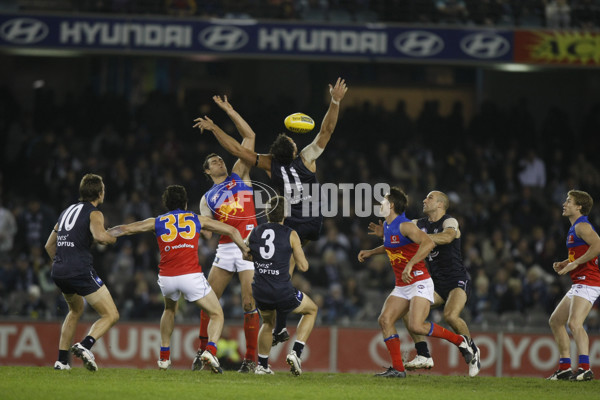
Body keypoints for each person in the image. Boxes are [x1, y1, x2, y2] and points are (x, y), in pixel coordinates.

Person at [193, 77, 347, 342]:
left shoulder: (266, 165)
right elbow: (326, 131)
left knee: (273, 281)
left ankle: (271, 334)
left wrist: (218, 125)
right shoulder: (307, 159)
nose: (219, 161)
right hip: (306, 222)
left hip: (279, 228)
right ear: (296, 149)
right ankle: (280, 327)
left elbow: (237, 146)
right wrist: (335, 101)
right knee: (282, 275)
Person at [107, 185, 250, 373]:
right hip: (190, 275)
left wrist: (104, 234)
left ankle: (164, 357)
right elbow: (231, 230)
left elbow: (126, 229)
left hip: (166, 278)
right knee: (216, 314)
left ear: (166, 204)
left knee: (169, 309)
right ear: (185, 203)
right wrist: (244, 249)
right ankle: (210, 350)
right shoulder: (196, 218)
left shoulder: (157, 221)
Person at [358, 187, 475, 378]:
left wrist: (410, 264)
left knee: (416, 326)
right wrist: (371, 252)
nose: (381, 204)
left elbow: (428, 243)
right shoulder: (389, 225)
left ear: (392, 205)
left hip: (419, 280)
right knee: (385, 320)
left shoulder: (406, 225)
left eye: (384, 201)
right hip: (403, 284)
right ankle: (398, 369)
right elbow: (391, 245)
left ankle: (460, 342)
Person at [195, 95, 260, 373]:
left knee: (249, 302)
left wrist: (230, 110)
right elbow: (207, 234)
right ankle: (202, 353)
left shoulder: (239, 174)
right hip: (225, 249)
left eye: (219, 157)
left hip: (247, 246)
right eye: (213, 161)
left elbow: (250, 135)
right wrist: (201, 229)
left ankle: (250, 358)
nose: (219, 160)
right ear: (207, 172)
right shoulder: (206, 198)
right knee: (208, 300)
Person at [44, 173, 119, 371]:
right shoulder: (95, 213)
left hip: (59, 271)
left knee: (75, 310)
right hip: (79, 271)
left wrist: (61, 263)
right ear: (100, 193)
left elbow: (48, 245)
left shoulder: (66, 211)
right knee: (111, 315)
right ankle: (85, 345)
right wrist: (113, 238)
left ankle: (61, 361)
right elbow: (100, 237)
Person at [246, 196, 318, 376]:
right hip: (281, 290)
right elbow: (303, 266)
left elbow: (245, 256)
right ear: (285, 213)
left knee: (267, 322)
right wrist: (296, 250)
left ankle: (262, 366)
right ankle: (296, 353)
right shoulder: (290, 233)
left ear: (267, 213)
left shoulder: (255, 231)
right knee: (311, 310)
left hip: (260, 289)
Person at [547, 190, 600, 381]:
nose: (564, 203)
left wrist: (575, 263)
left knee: (574, 323)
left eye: (569, 201)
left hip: (589, 281)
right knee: (555, 321)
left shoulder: (582, 226)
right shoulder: (575, 227)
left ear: (579, 207)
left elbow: (598, 246)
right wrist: (566, 262)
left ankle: (585, 369)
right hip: (580, 281)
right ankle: (565, 369)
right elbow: (582, 253)